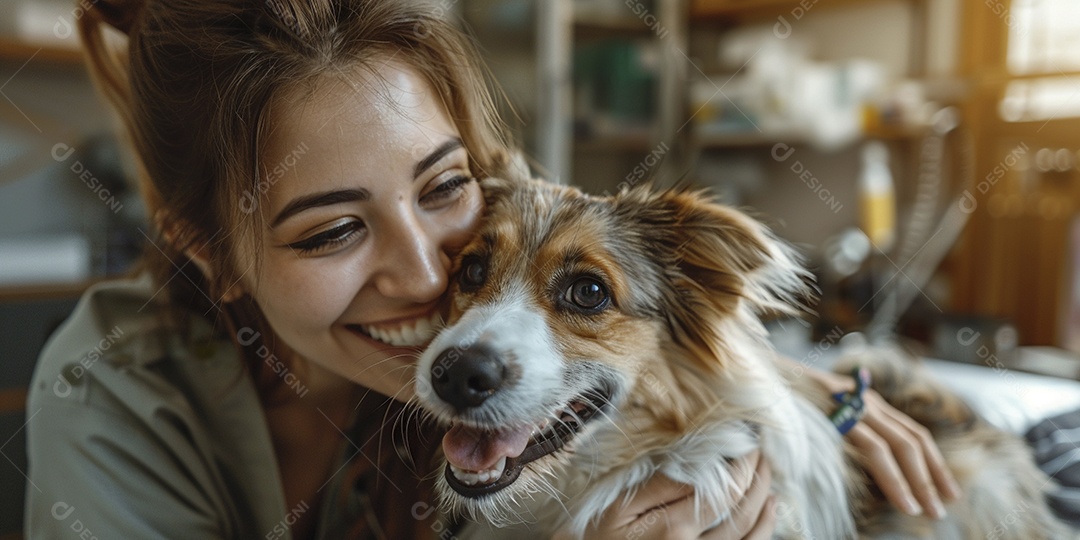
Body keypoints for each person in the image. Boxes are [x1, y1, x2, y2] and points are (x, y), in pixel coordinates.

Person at [23, 1, 959, 539]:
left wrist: (813, 392)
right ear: (211, 254)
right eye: (332, 231)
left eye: (441, 187)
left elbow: (609, 287)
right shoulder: (110, 407)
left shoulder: (486, 271)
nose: (432, 271)